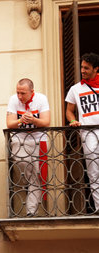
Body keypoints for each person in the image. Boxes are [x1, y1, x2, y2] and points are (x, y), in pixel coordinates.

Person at [6, 78, 50, 217]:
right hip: (20, 139)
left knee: (37, 176)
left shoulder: (41, 99)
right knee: (21, 162)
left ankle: (31, 211)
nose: (20, 96)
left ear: (32, 91)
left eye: (23, 93)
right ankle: (25, 180)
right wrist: (21, 120)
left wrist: (34, 120)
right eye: (18, 92)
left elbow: (46, 121)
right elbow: (9, 123)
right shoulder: (13, 100)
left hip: (39, 140)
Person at [65, 52, 99, 214]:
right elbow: (69, 111)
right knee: (93, 172)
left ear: (96, 69)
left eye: (86, 68)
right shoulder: (75, 89)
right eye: (82, 67)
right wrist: (73, 121)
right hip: (88, 133)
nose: (83, 71)